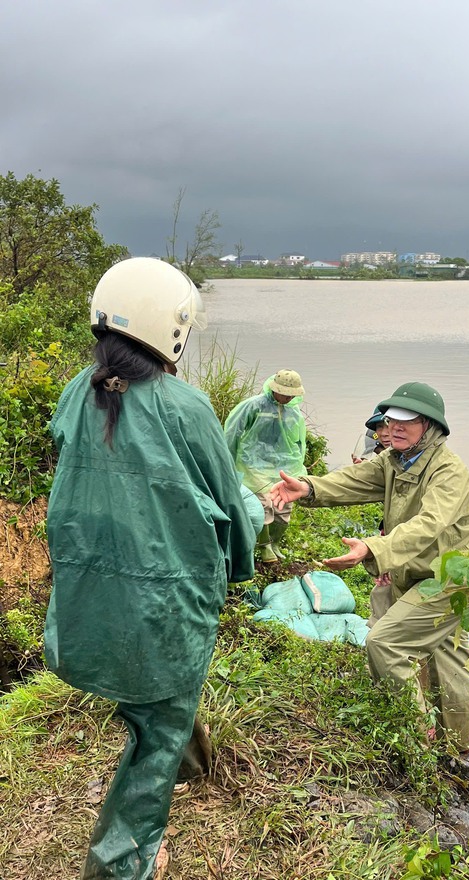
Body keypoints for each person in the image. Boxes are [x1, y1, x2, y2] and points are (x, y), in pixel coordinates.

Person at [44, 257, 260, 879]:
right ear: (174, 329)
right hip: (164, 610)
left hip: (91, 595)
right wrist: (241, 565)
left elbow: (79, 460)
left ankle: (195, 766)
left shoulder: (75, 392)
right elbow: (227, 507)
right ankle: (119, 864)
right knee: (154, 738)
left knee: (158, 705)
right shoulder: (185, 407)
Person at [271, 381, 469, 753]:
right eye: (391, 420)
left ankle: (418, 744)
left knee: (385, 643)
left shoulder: (448, 472)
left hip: (451, 580)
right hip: (416, 572)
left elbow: (430, 523)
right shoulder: (393, 460)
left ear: (430, 426)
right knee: (447, 659)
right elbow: (351, 480)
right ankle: (454, 746)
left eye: (407, 421)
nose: (395, 427)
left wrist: (374, 547)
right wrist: (308, 487)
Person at [224, 369, 306, 564]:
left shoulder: (292, 413)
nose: (286, 398)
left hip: (282, 465)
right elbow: (233, 432)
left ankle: (275, 541)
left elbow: (298, 442)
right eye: (283, 393)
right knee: (263, 505)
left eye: (290, 395)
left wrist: (298, 465)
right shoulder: (254, 406)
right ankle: (264, 546)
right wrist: (228, 460)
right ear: (273, 388)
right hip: (253, 464)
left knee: (283, 508)